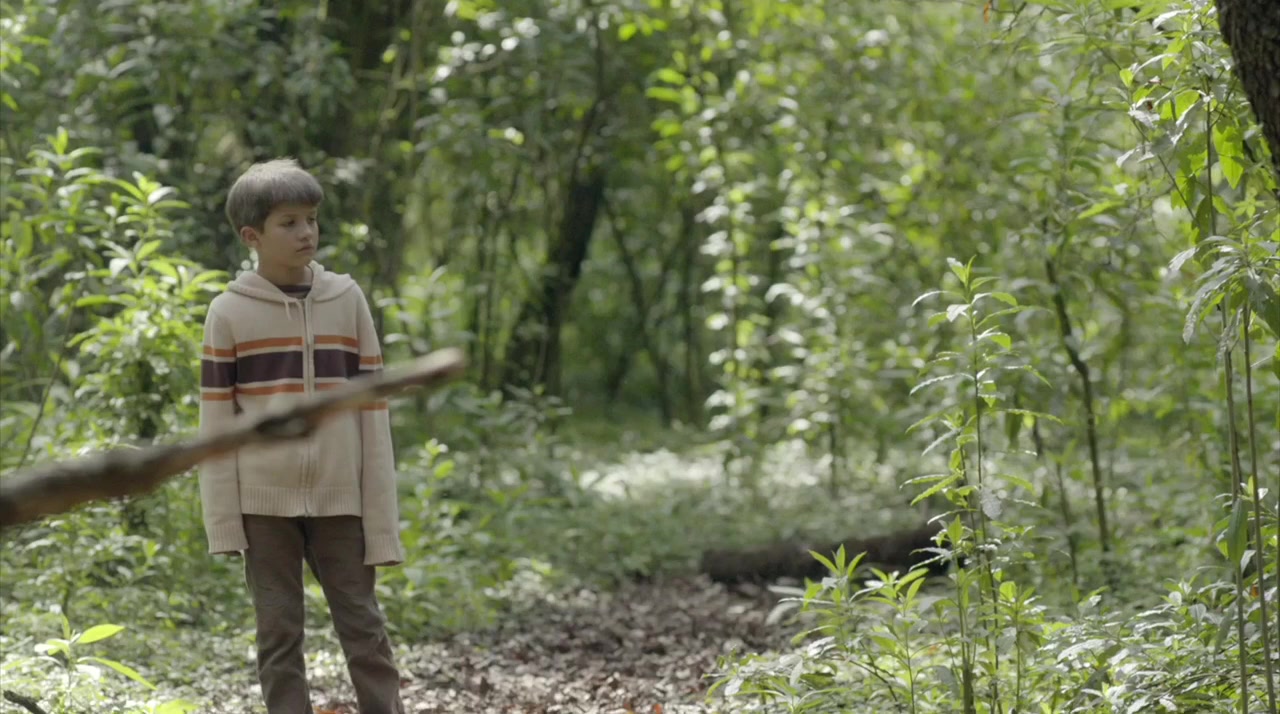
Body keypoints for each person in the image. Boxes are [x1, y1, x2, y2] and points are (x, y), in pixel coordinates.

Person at [198, 158, 406, 714]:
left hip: (342, 500)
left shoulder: (347, 300)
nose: (306, 232)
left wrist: (381, 520)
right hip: (263, 506)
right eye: (288, 222)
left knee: (364, 629)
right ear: (252, 236)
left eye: (311, 218)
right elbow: (215, 425)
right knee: (278, 632)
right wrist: (223, 522)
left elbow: (373, 413)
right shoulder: (228, 313)